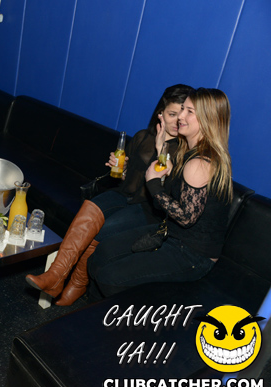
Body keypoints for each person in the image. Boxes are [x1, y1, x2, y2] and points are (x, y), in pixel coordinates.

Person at [26, 84, 193, 306]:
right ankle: (56, 274)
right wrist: (121, 168)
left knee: (101, 230)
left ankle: (78, 282)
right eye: (172, 114)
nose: (177, 121)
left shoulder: (184, 151)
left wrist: (162, 150)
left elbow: (168, 191)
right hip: (123, 196)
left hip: (149, 209)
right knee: (90, 207)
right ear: (160, 114)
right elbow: (128, 178)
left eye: (181, 115)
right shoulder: (143, 137)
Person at [88, 88, 233, 298]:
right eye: (182, 109)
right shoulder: (188, 152)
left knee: (110, 276)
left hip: (193, 254)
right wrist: (161, 149)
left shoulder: (200, 162)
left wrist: (153, 183)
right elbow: (170, 199)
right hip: (171, 234)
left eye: (189, 111)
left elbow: (186, 218)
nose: (181, 116)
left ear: (207, 119)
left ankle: (107, 316)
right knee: (103, 252)